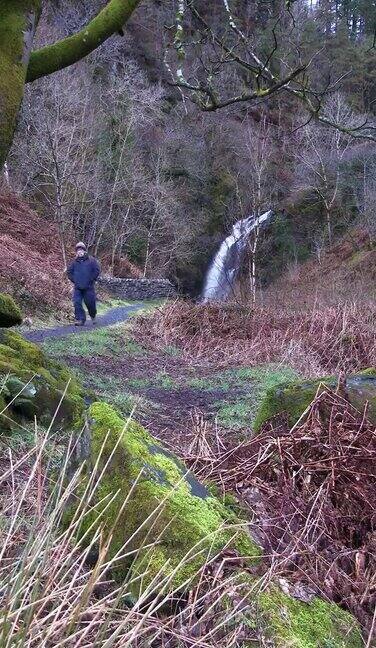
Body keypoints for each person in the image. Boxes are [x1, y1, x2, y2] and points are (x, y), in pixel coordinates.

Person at [67, 242, 101, 326]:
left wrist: (91, 279)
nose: (79, 251)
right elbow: (69, 272)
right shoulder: (74, 262)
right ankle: (80, 319)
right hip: (78, 287)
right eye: (78, 250)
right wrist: (74, 280)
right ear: (76, 252)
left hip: (88, 287)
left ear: (84, 251)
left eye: (81, 249)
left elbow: (97, 270)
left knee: (90, 304)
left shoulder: (91, 260)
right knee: (77, 303)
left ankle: (93, 316)